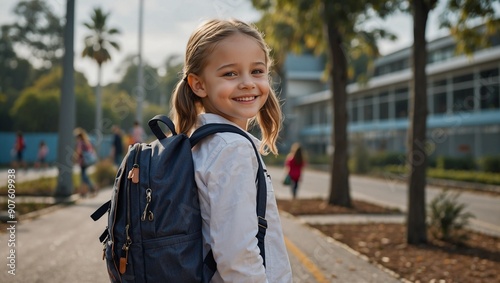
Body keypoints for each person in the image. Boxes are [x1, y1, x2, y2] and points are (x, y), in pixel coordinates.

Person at [171, 19, 292, 282]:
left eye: (257, 71)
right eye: (230, 74)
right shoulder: (232, 148)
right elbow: (239, 258)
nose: (248, 83)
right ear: (198, 84)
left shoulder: (199, 141)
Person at [74, 127, 97, 197]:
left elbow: (79, 152)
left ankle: (93, 187)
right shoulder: (86, 141)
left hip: (83, 161)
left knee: (84, 176)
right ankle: (83, 192)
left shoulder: (80, 143)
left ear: (78, 137)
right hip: (87, 161)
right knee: (83, 176)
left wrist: (75, 157)